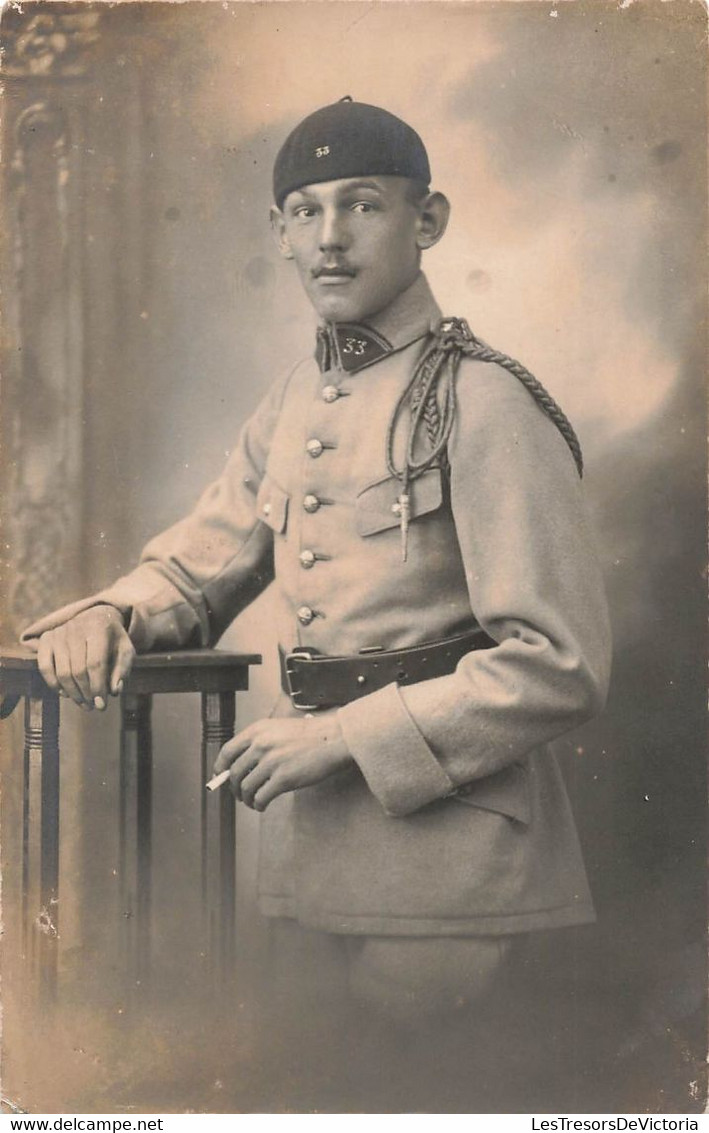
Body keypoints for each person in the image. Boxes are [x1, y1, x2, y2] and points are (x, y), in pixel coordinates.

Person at [22, 98, 612, 1027]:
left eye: (363, 206)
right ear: (280, 233)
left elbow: (557, 665)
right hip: (309, 849)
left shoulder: (486, 401)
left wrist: (338, 738)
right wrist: (112, 613)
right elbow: (203, 561)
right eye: (306, 211)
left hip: (452, 856)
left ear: (428, 222)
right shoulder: (299, 395)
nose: (330, 238)